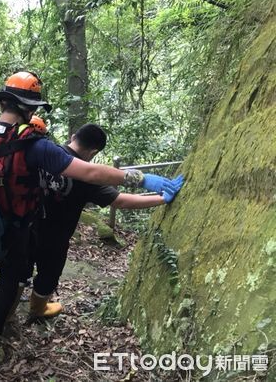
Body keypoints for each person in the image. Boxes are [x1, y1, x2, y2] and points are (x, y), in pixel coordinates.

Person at [0, 71, 182, 337]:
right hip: (14, 223)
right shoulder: (35, 145)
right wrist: (141, 179)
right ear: (28, 109)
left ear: (2, 103)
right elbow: (89, 173)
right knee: (12, 272)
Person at [30, 124, 184, 319]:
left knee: (19, 269)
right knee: (48, 274)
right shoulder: (87, 179)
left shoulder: (49, 153)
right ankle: (37, 309)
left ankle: (7, 313)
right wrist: (161, 199)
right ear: (93, 152)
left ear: (73, 136)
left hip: (27, 225)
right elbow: (121, 201)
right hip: (55, 237)